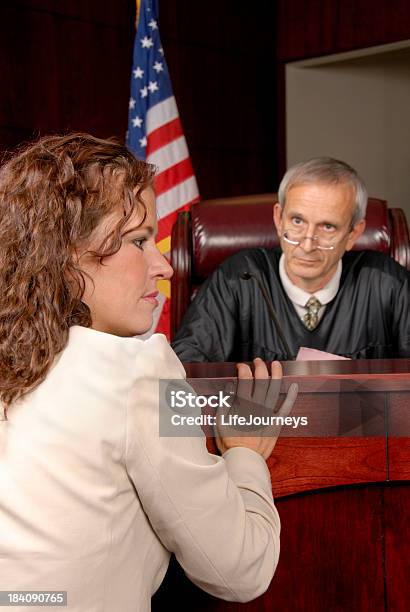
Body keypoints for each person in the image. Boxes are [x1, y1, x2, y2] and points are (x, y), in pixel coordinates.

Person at [0, 134, 297, 612]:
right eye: (138, 241)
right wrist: (245, 453)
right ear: (65, 256)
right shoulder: (139, 370)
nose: (165, 267)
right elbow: (240, 569)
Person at [172, 157, 410, 362]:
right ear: (278, 219)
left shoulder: (387, 284)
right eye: (297, 221)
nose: (307, 245)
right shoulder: (238, 278)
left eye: (327, 227)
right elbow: (185, 372)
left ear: (353, 234)